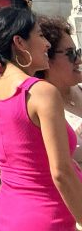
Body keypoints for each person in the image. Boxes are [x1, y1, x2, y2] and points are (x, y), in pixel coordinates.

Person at [0, 5, 82, 229]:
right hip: (46, 216)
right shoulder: (41, 93)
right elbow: (61, 172)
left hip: (5, 215)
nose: (47, 43)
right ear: (20, 43)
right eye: (39, 35)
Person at [37, 15, 82, 161]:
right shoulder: (37, 106)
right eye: (71, 54)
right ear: (46, 58)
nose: (79, 60)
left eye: (78, 52)